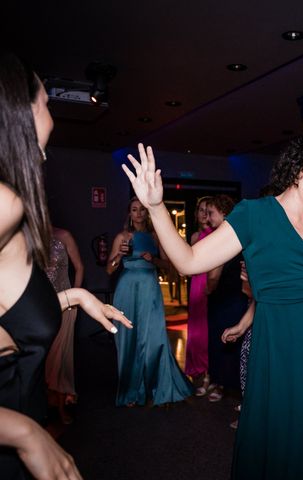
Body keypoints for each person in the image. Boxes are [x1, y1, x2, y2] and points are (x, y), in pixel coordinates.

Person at [122, 121, 303, 479]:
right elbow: (188, 262)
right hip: (280, 339)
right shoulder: (253, 215)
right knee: (287, 430)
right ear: (299, 164)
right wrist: (158, 208)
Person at [0, 51, 131, 480]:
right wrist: (25, 434)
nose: (52, 112)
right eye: (46, 100)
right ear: (22, 111)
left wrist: (74, 295)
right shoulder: (5, 203)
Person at [106, 197, 193, 407]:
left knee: (155, 337)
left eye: (142, 210)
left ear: (147, 213)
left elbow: (169, 265)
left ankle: (159, 387)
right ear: (129, 213)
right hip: (127, 289)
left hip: (150, 290)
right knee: (129, 338)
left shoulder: (155, 237)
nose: (138, 214)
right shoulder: (122, 237)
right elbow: (109, 269)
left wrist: (153, 260)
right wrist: (119, 254)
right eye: (134, 210)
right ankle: (131, 392)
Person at [205, 194, 248, 402]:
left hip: (223, 299)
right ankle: (236, 386)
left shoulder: (221, 239)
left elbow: (213, 276)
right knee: (236, 342)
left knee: (221, 340)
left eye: (211, 213)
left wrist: (207, 290)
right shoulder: (241, 235)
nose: (207, 218)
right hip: (239, 298)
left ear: (223, 213)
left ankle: (220, 385)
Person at [45, 226, 84, 424]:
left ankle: (61, 409)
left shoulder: (64, 236)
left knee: (60, 358)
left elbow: (79, 268)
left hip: (65, 305)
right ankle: (44, 406)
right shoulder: (26, 237)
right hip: (39, 306)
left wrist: (75, 298)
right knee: (43, 358)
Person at [186, 196, 213, 395]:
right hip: (197, 283)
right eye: (201, 210)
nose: (204, 214)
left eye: (207, 210)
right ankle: (199, 372)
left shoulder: (218, 234)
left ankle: (210, 376)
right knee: (196, 332)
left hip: (211, 283)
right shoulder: (195, 236)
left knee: (208, 333)